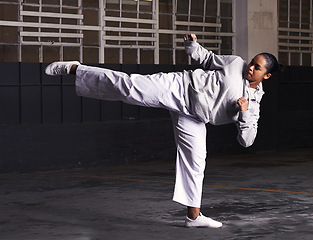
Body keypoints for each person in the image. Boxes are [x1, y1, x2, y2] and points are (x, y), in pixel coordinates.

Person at [45, 33, 283, 228]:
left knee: (197, 160)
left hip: (194, 116)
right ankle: (77, 68)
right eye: (252, 62)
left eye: (257, 67)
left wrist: (242, 112)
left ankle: (193, 216)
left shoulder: (253, 104)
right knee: (130, 86)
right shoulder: (235, 63)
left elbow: (247, 140)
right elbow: (208, 59)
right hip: (179, 87)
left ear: (267, 75)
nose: (251, 67)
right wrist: (192, 45)